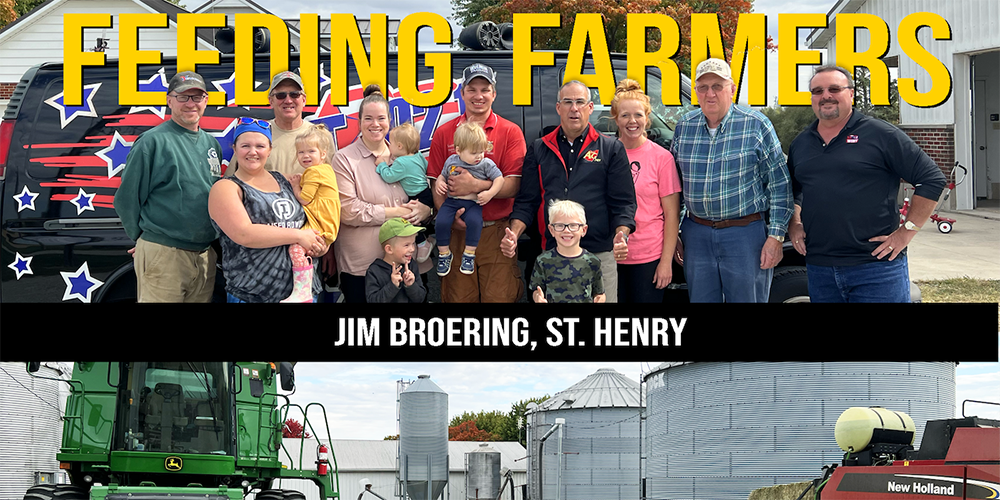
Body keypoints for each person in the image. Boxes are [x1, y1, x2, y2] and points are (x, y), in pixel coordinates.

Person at [786, 65, 946, 302]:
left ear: (851, 94)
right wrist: (795, 223)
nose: (825, 96)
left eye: (834, 89)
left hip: (876, 268)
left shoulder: (881, 134)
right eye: (817, 91)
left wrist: (906, 233)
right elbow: (793, 189)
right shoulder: (801, 143)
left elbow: (932, 179)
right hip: (820, 268)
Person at [670, 58, 792, 303]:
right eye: (703, 87)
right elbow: (676, 187)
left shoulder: (756, 124)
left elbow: (779, 185)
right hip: (697, 234)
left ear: (732, 89)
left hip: (745, 234)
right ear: (695, 92)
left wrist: (776, 237)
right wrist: (675, 234)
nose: (710, 93)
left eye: (718, 86)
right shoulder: (684, 127)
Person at [503, 80, 636, 303]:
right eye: (568, 102)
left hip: (599, 253)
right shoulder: (539, 148)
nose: (574, 108)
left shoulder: (611, 148)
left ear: (590, 108)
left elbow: (623, 203)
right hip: (552, 255)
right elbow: (526, 202)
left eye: (580, 102)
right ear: (558, 108)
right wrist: (514, 234)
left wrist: (621, 235)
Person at [114, 71, 223, 302]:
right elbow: (127, 198)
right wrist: (144, 239)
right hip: (164, 254)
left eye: (197, 97)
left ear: (206, 101)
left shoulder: (211, 144)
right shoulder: (152, 141)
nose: (190, 104)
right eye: (183, 97)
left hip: (204, 255)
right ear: (169, 100)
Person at [427, 63, 526, 303]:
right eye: (472, 89)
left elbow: (514, 185)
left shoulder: (510, 132)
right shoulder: (444, 133)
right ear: (462, 93)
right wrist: (449, 216)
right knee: (458, 299)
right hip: (456, 233)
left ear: (494, 94)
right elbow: (435, 184)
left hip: (496, 231)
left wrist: (475, 185)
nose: (478, 96)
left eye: (485, 89)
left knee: (500, 299)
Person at [207, 118, 328, 303]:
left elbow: (316, 215)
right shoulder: (226, 188)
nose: (253, 152)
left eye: (260, 146)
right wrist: (299, 236)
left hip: (304, 293)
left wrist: (317, 244)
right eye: (245, 145)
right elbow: (244, 233)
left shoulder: (288, 181)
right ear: (234, 148)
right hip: (252, 295)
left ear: (270, 150)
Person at [333, 84, 432, 303]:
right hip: (364, 268)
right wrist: (396, 212)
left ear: (389, 121)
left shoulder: (405, 156)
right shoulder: (344, 159)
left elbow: (423, 192)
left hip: (408, 264)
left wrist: (426, 210)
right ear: (359, 122)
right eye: (368, 118)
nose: (375, 124)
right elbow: (348, 211)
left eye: (381, 118)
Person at [611, 79, 682, 303]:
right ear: (616, 118)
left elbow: (671, 216)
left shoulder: (662, 158)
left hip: (649, 258)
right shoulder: (606, 154)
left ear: (647, 117)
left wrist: (665, 262)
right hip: (610, 257)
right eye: (625, 115)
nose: (632, 121)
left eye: (638, 115)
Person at [433, 122, 504, 276]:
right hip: (451, 202)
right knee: (441, 221)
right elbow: (442, 175)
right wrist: (439, 182)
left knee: (474, 222)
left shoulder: (486, 164)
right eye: (473, 153)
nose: (479, 156)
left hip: (473, 203)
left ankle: (469, 254)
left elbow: (500, 179)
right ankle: (444, 254)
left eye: (481, 151)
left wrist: (490, 193)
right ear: (458, 150)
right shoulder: (451, 161)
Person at [285, 124, 341, 302]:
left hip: (319, 224)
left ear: (323, 154)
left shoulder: (313, 172)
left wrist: (295, 185)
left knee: (295, 248)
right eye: (301, 152)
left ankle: (302, 289)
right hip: (328, 224)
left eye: (311, 151)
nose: (305, 156)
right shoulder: (326, 169)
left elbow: (305, 199)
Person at [375, 122, 432, 262]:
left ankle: (423, 244)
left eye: (392, 144)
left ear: (399, 146)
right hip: (426, 192)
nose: (389, 147)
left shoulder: (401, 163)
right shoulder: (418, 156)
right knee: (421, 220)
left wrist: (381, 165)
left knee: (410, 221)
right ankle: (429, 237)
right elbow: (426, 169)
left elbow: (389, 176)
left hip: (416, 196)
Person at [529, 200, 606, 303]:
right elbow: (536, 290)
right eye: (560, 225)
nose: (566, 230)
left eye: (573, 225)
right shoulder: (543, 261)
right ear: (551, 230)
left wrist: (599, 300)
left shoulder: (593, 262)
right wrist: (538, 298)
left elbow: (599, 292)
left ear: (583, 230)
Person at [263, 70, 336, 177]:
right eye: (280, 95)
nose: (288, 100)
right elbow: (237, 180)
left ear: (304, 100)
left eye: (294, 94)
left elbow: (331, 182)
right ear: (271, 101)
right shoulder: (257, 134)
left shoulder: (322, 136)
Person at [365, 218, 428, 303]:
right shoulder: (374, 271)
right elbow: (373, 301)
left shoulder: (411, 265)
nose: (412, 249)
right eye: (406, 245)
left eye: (413, 243)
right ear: (389, 249)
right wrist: (392, 285)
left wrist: (411, 285)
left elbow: (420, 298)